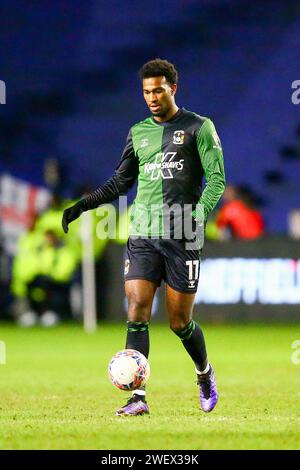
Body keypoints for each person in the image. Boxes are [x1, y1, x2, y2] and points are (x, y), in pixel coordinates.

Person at [62, 59, 226, 416]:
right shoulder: (138, 132)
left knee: (179, 322)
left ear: (173, 89)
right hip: (143, 233)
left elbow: (216, 179)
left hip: (183, 234)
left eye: (158, 90)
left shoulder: (199, 127)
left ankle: (204, 373)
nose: (152, 97)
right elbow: (121, 182)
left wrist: (199, 214)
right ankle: (138, 398)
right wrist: (84, 205)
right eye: (146, 92)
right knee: (136, 310)